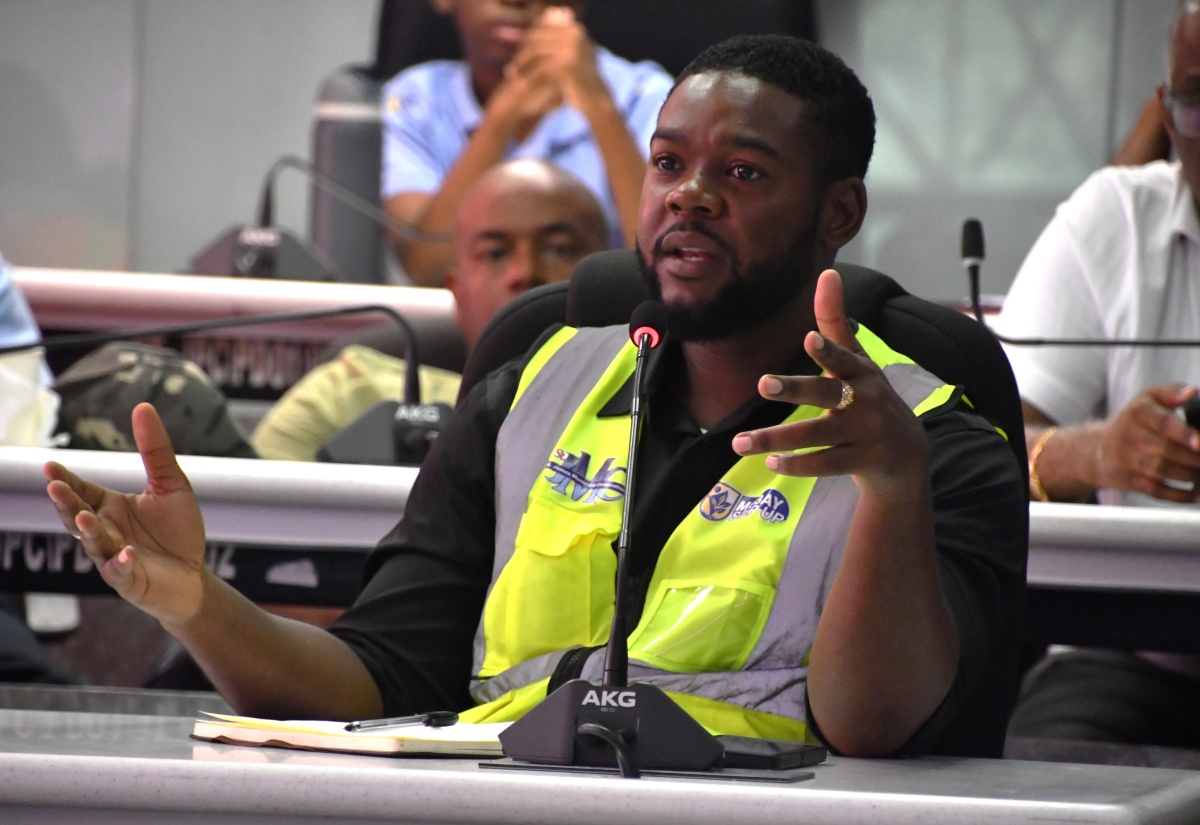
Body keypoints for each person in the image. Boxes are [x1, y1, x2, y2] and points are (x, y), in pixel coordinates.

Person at [44, 35, 1024, 757]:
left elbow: (876, 729)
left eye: (742, 172)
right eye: (670, 164)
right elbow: (381, 676)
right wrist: (195, 603)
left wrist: (892, 495)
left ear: (838, 212)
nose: (690, 195)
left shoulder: (933, 441)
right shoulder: (533, 393)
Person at [995, 0, 1200, 747]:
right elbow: (982, 444)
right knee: (1045, 770)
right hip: (1131, 649)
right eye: (1199, 99)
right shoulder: (1114, 219)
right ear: (1168, 114)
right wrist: (1106, 452)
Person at [253, 159, 609, 461]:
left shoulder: (650, 415)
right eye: (496, 253)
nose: (524, 273)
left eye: (559, 250)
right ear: (456, 291)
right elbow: (245, 517)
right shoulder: (348, 396)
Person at [382, 0, 672, 286]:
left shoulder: (646, 96)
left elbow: (665, 261)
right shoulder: (414, 101)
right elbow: (427, 273)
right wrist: (501, 118)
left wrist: (599, 106)